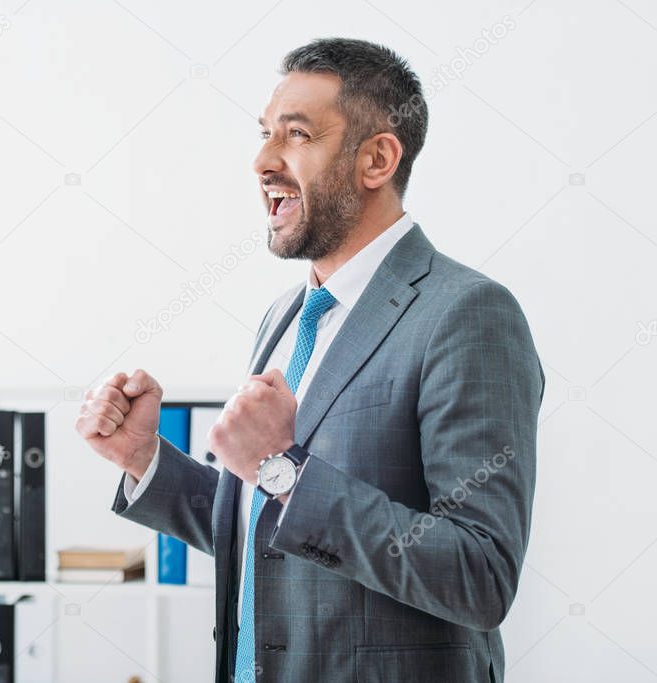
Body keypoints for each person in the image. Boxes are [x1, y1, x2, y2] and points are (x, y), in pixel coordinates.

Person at [76, 37, 544, 682]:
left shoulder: (466, 314)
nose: (263, 161)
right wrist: (143, 459)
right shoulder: (286, 316)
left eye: (296, 135)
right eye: (265, 134)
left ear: (376, 159)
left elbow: (479, 576)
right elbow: (274, 539)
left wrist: (281, 466)